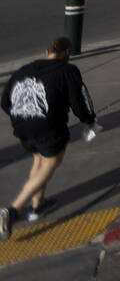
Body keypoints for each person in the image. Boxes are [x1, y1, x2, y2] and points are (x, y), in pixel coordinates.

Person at [1, 37, 98, 240]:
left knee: (38, 158)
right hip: (48, 125)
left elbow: (5, 100)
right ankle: (12, 210)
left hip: (22, 124)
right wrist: (89, 120)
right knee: (50, 163)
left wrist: (21, 116)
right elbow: (79, 100)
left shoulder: (24, 70)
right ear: (66, 52)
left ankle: (38, 205)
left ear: (47, 52)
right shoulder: (68, 71)